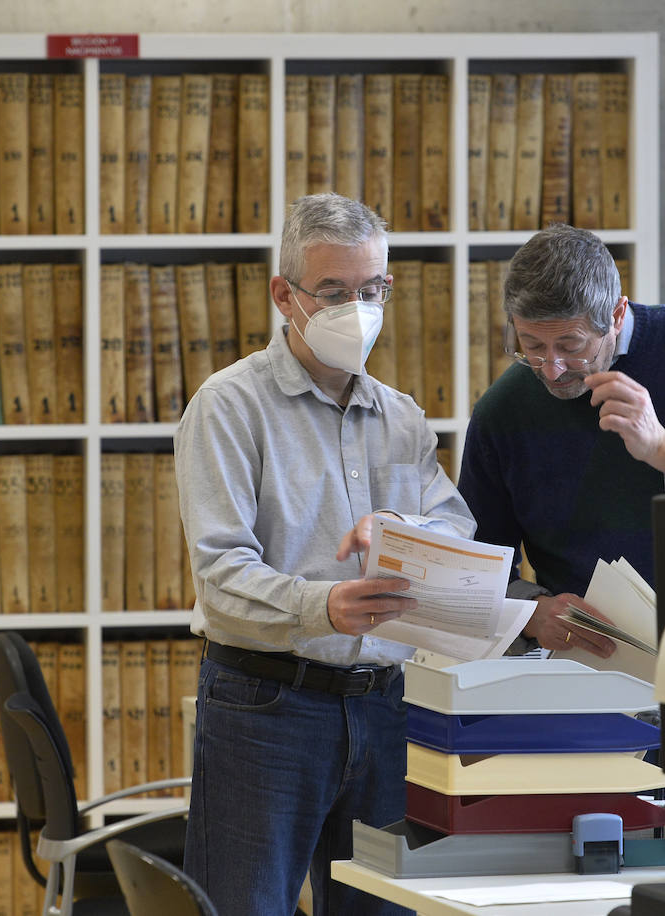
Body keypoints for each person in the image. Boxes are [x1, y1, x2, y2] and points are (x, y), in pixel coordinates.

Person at [175, 192, 474, 915]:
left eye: (372, 290)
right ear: (286, 295)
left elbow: (457, 530)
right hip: (267, 707)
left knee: (385, 906)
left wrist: (404, 531)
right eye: (335, 292)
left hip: (389, 709)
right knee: (247, 904)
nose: (357, 309)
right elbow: (220, 577)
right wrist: (324, 607)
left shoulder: (399, 416)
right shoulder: (228, 406)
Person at [458, 224, 665, 655]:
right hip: (593, 672)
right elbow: (475, 563)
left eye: (571, 345)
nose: (551, 369)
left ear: (615, 314)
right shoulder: (502, 411)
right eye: (531, 344)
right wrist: (531, 610)